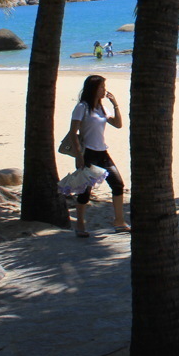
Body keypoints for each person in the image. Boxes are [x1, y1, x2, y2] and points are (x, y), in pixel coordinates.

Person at [65, 75, 130, 236]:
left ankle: (119, 221)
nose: (104, 90)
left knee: (118, 184)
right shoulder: (82, 107)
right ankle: (80, 224)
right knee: (85, 192)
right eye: (102, 87)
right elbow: (73, 133)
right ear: (93, 89)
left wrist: (115, 105)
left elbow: (118, 124)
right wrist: (79, 156)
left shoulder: (101, 108)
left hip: (103, 153)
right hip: (88, 154)